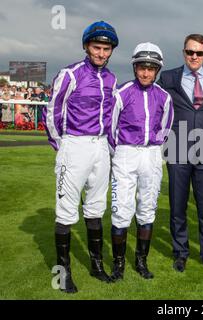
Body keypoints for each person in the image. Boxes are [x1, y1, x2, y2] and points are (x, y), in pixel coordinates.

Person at [44, 21, 119, 293]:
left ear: (111, 51)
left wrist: (110, 147)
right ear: (87, 46)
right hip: (74, 145)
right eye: (97, 47)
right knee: (66, 211)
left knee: (97, 207)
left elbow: (111, 118)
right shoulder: (70, 74)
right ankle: (62, 274)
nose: (101, 53)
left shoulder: (111, 79)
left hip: (100, 147)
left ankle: (97, 266)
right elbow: (52, 111)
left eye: (106, 48)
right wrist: (61, 145)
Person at [157, 34, 203, 273]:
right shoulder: (167, 78)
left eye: (199, 52)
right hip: (176, 145)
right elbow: (158, 110)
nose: (194, 56)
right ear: (183, 52)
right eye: (190, 52)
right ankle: (180, 252)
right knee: (178, 206)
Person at [108, 42, 173, 281]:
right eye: (141, 67)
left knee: (147, 210)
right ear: (135, 68)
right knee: (121, 211)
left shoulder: (164, 97)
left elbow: (166, 128)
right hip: (125, 154)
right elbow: (110, 129)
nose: (146, 73)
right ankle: (118, 265)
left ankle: (141, 262)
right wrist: (119, 154)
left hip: (152, 154)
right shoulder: (122, 93)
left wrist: (154, 150)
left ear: (157, 70)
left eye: (151, 68)